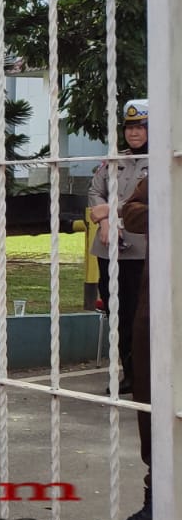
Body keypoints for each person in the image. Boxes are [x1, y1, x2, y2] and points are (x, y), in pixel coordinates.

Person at [94, 174, 153, 520]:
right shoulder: (169, 158)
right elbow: (134, 211)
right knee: (154, 401)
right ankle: (158, 506)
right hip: (164, 295)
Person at [88, 99, 149, 395]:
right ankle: (129, 372)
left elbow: (148, 201)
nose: (134, 133)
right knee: (118, 312)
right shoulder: (114, 160)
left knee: (141, 314)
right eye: (130, 127)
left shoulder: (162, 161)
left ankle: (147, 373)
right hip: (109, 249)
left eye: (140, 127)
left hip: (142, 251)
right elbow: (95, 191)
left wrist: (111, 212)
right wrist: (104, 222)